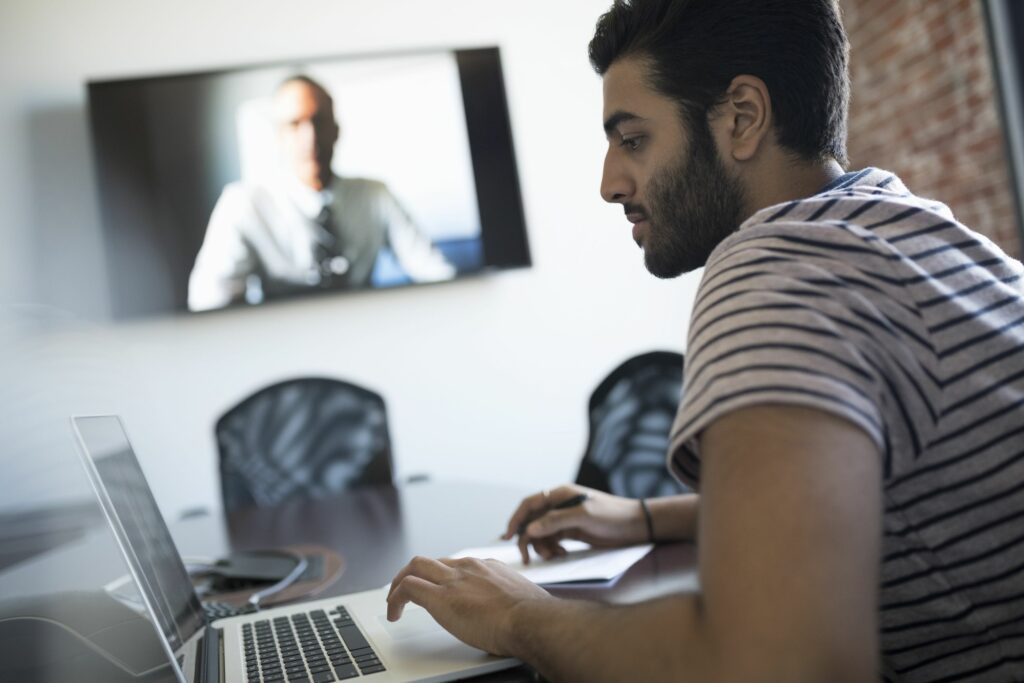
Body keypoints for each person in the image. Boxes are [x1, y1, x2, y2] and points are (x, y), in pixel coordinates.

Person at [385, 1, 1024, 681]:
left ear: (742, 117)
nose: (609, 184)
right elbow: (860, 490)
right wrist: (645, 517)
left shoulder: (775, 270)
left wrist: (518, 615)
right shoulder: (897, 226)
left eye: (632, 139)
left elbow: (775, 665)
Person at [187, 75, 455, 312]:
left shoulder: (375, 195)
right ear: (278, 136)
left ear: (337, 131)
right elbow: (209, 302)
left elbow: (435, 272)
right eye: (295, 124)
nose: (310, 137)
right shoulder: (243, 204)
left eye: (319, 121)